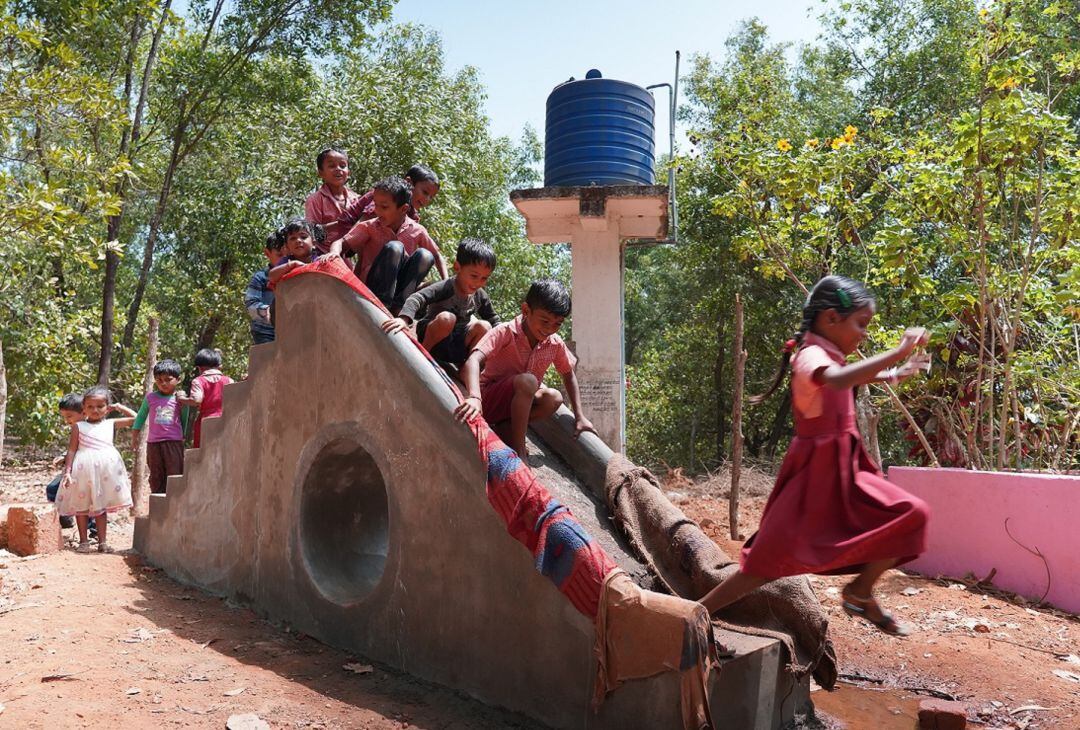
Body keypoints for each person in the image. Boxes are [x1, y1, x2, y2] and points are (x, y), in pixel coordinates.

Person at [698, 275, 932, 637]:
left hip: (849, 469)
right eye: (861, 324)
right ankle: (695, 614)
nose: (864, 334)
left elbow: (847, 377)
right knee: (764, 564)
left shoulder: (830, 354)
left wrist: (894, 374)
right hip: (813, 478)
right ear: (830, 319)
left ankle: (859, 592)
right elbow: (836, 380)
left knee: (911, 516)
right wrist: (898, 353)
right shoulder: (809, 355)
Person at [454, 278, 595, 460]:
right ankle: (519, 450)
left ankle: (507, 427)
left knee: (553, 398)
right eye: (544, 321)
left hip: (517, 406)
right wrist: (474, 397)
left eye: (557, 324)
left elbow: (568, 375)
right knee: (529, 381)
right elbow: (473, 360)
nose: (549, 329)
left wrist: (580, 416)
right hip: (489, 400)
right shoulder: (505, 332)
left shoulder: (554, 344)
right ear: (526, 310)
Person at [327, 176, 447, 313]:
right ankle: (383, 303)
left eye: (384, 207)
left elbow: (437, 256)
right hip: (371, 287)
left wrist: (447, 283)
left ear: (403, 209)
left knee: (425, 255)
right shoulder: (370, 226)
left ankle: (400, 306)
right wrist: (334, 253)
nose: (377, 211)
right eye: (375, 205)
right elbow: (341, 242)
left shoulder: (417, 230)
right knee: (395, 248)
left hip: (399, 289)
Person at [382, 237, 500, 368]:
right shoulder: (446, 287)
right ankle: (423, 353)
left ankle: (466, 367)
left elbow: (494, 319)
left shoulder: (480, 295)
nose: (478, 282)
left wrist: (505, 338)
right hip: (433, 337)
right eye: (474, 276)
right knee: (447, 318)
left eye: (484, 278)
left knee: (484, 326)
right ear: (457, 267)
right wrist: (403, 319)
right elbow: (417, 297)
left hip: (456, 345)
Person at [55, 386, 136, 553]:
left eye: (100, 406)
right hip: (82, 470)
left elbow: (136, 418)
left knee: (101, 507)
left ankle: (102, 542)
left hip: (106, 472)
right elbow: (72, 450)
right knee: (81, 506)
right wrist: (68, 472)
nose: (95, 410)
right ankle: (84, 542)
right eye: (90, 407)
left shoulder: (110, 423)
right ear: (83, 408)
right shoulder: (78, 427)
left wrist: (119, 408)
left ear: (107, 407)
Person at [131, 359, 191, 495]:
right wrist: (134, 437)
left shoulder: (180, 398)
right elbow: (140, 417)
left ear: (178, 379)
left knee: (175, 473)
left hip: (173, 442)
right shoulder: (150, 398)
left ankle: (175, 504)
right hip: (154, 443)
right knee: (156, 475)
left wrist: (183, 437)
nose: (163, 383)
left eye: (168, 379)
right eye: (159, 380)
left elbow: (184, 418)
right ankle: (158, 507)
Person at [304, 147, 365, 252]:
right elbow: (312, 234)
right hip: (324, 256)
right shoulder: (315, 200)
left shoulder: (357, 199)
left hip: (353, 256)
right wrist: (341, 223)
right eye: (332, 166)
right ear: (321, 173)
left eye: (343, 166)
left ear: (348, 172)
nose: (338, 169)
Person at [46, 394, 86, 530]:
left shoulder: (89, 428)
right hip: (72, 470)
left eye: (69, 416)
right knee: (53, 489)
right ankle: (65, 520)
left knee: (89, 499)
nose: (66, 420)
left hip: (87, 470)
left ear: (83, 412)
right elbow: (73, 447)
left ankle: (94, 529)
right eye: (64, 417)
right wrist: (64, 456)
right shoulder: (76, 427)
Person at [179, 348, 234, 448]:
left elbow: (196, 400)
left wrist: (181, 398)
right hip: (226, 419)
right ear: (219, 366)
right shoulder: (229, 380)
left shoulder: (199, 381)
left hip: (205, 421)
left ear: (199, 368)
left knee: (203, 451)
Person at [356, 163, 440, 223]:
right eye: (425, 192)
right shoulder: (385, 196)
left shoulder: (412, 216)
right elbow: (360, 227)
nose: (427, 199)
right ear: (408, 182)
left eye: (431, 197)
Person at [244, 231, 284, 344]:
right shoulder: (261, 277)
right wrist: (266, 311)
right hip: (265, 331)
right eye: (279, 255)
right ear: (267, 253)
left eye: (287, 254)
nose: (284, 259)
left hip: (290, 330)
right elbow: (251, 302)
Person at [267, 219, 324, 285]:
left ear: (314, 243)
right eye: (293, 238)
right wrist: (291, 265)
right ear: (287, 246)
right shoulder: (286, 262)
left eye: (303, 237)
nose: (298, 241)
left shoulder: (320, 261)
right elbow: (271, 277)